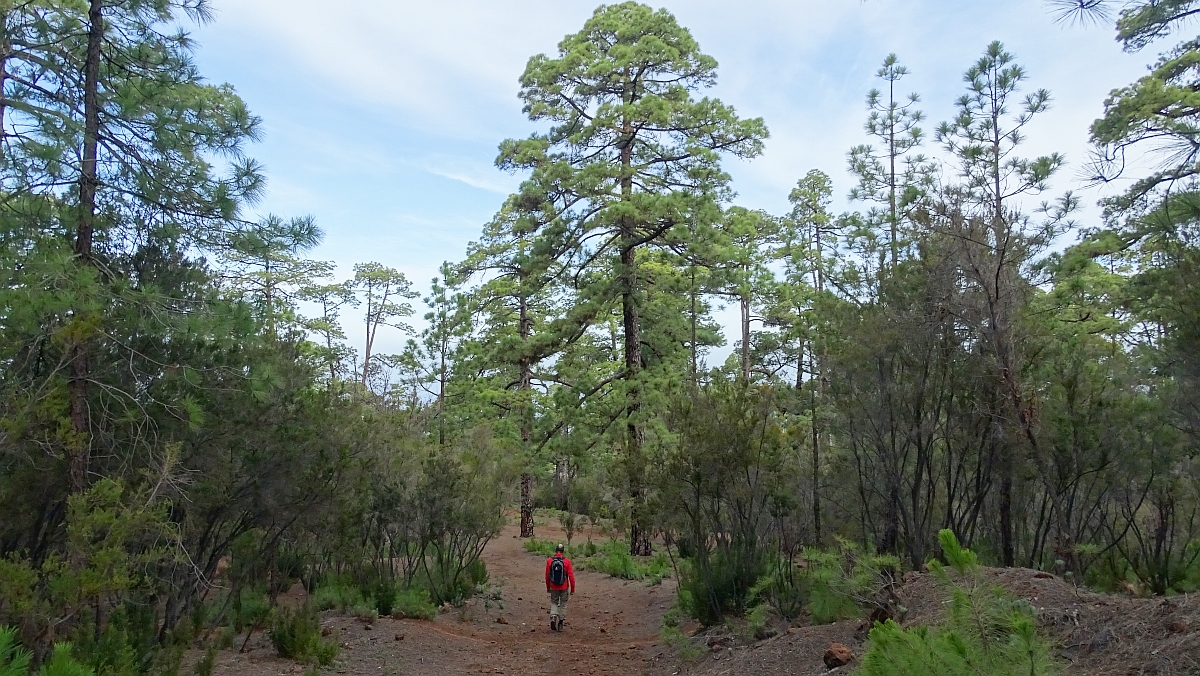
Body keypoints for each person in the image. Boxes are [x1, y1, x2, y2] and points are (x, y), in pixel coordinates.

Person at [544, 543, 575, 631]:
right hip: (564, 586)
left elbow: (547, 575)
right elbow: (571, 576)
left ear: (555, 550)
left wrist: (548, 587)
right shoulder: (567, 561)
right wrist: (572, 589)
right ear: (563, 551)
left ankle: (553, 617)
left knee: (554, 602)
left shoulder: (549, 561)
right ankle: (561, 622)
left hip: (553, 586)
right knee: (563, 604)